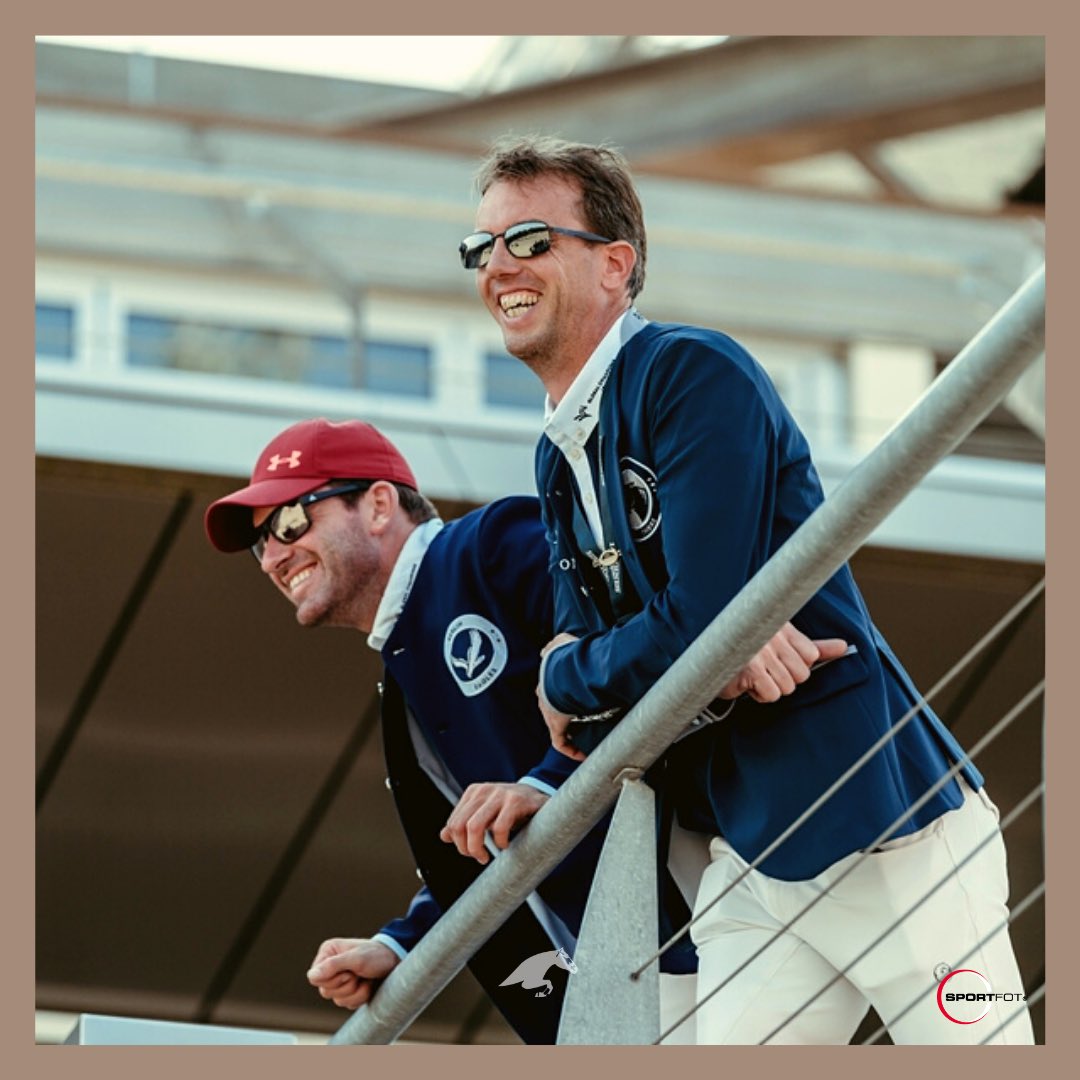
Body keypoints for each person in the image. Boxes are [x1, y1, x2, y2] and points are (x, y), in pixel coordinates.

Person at [457, 134, 1034, 1045]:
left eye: (529, 239)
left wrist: (586, 669)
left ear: (615, 265)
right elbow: (605, 704)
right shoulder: (555, 458)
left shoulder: (691, 371)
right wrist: (655, 661)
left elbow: (687, 627)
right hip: (750, 861)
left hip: (896, 836)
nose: (498, 266)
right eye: (480, 247)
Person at [203, 417, 816, 1042]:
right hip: (641, 966)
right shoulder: (403, 675)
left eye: (289, 522)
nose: (272, 557)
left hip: (733, 888)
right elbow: (488, 836)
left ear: (380, 505)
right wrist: (402, 942)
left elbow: (638, 643)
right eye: (260, 544)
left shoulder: (487, 545)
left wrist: (546, 782)